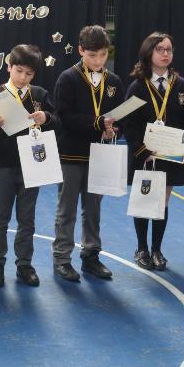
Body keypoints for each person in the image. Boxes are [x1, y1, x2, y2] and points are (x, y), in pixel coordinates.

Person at [0, 44, 60, 287]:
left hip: (34, 165)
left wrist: (46, 118)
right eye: (19, 71)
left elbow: (57, 121)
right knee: (0, 217)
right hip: (3, 166)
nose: (23, 77)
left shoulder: (39, 95)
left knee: (27, 219)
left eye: (29, 73)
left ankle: (24, 264)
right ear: (9, 67)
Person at [50, 25, 124, 282]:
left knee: (93, 210)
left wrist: (113, 131)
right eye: (92, 55)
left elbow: (119, 117)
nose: (98, 61)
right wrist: (96, 123)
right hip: (70, 155)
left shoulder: (114, 82)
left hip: (100, 155)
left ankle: (91, 255)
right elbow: (63, 117)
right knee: (67, 210)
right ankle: (62, 259)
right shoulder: (68, 78)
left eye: (103, 55)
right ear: (81, 50)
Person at [124, 32, 184, 271]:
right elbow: (128, 123)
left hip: (171, 156)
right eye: (160, 49)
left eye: (169, 50)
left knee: (162, 202)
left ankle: (156, 249)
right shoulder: (137, 86)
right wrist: (142, 150)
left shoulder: (182, 86)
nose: (165, 54)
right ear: (148, 53)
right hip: (145, 157)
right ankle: (141, 248)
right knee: (144, 201)